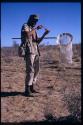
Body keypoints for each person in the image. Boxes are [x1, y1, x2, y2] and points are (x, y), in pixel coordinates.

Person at [20, 14, 50, 96]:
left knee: (36, 69)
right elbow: (27, 35)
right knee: (30, 70)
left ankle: (32, 87)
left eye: (36, 21)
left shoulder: (34, 29)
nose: (35, 22)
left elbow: (37, 42)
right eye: (34, 20)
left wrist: (44, 34)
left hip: (36, 51)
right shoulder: (25, 26)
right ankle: (27, 90)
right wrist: (36, 28)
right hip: (29, 51)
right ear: (30, 19)